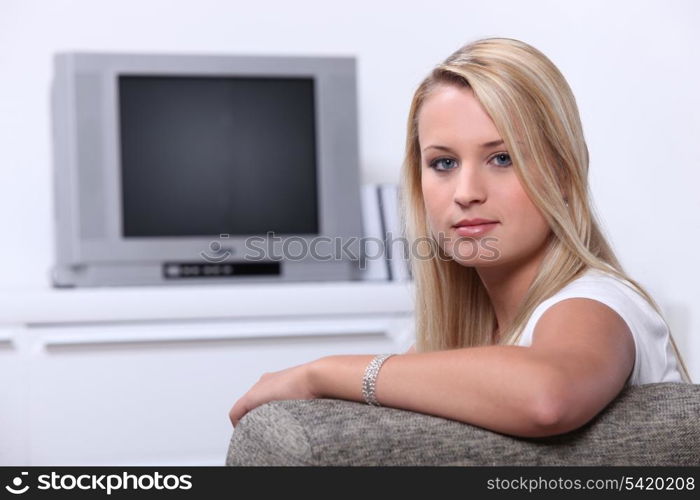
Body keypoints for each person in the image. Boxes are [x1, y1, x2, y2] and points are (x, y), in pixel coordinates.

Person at [228, 37, 692, 438]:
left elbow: (548, 396)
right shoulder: (462, 331)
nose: (466, 193)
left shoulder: (597, 302)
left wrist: (319, 373)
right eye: (444, 163)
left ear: (566, 173)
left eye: (503, 158)